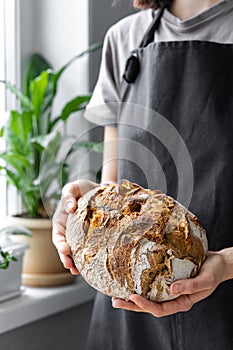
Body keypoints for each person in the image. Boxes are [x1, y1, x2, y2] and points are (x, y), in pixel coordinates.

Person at [52, 0, 233, 349]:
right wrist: (86, 204)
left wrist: (225, 264)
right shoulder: (125, 39)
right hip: (128, 309)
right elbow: (114, 185)